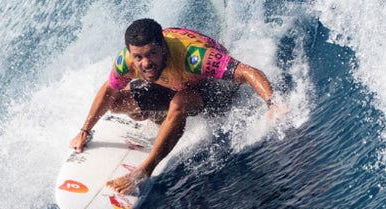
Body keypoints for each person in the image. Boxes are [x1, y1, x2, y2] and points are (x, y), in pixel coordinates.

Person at [71, 18, 284, 193]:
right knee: (117, 103)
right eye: (138, 57)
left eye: (152, 53)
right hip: (173, 83)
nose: (146, 62)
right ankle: (160, 116)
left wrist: (272, 103)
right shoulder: (126, 61)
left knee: (180, 102)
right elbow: (109, 90)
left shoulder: (194, 57)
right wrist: (84, 131)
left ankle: (144, 171)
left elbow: (247, 72)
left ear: (163, 47)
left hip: (213, 90)